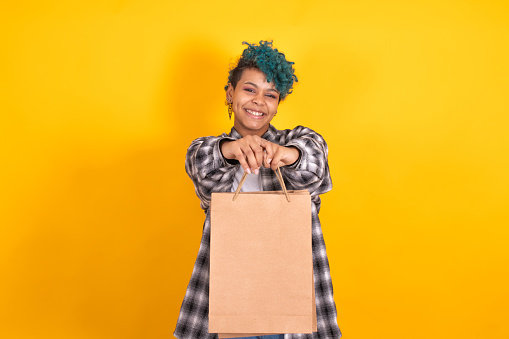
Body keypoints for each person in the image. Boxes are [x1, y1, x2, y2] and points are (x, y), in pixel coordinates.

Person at [174, 40, 342, 339]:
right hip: (231, 299)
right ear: (231, 93)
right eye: (249, 89)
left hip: (291, 299)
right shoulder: (209, 150)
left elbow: (315, 167)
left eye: (270, 95)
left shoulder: (299, 140)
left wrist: (288, 154)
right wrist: (232, 148)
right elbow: (201, 165)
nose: (258, 101)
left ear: (277, 105)